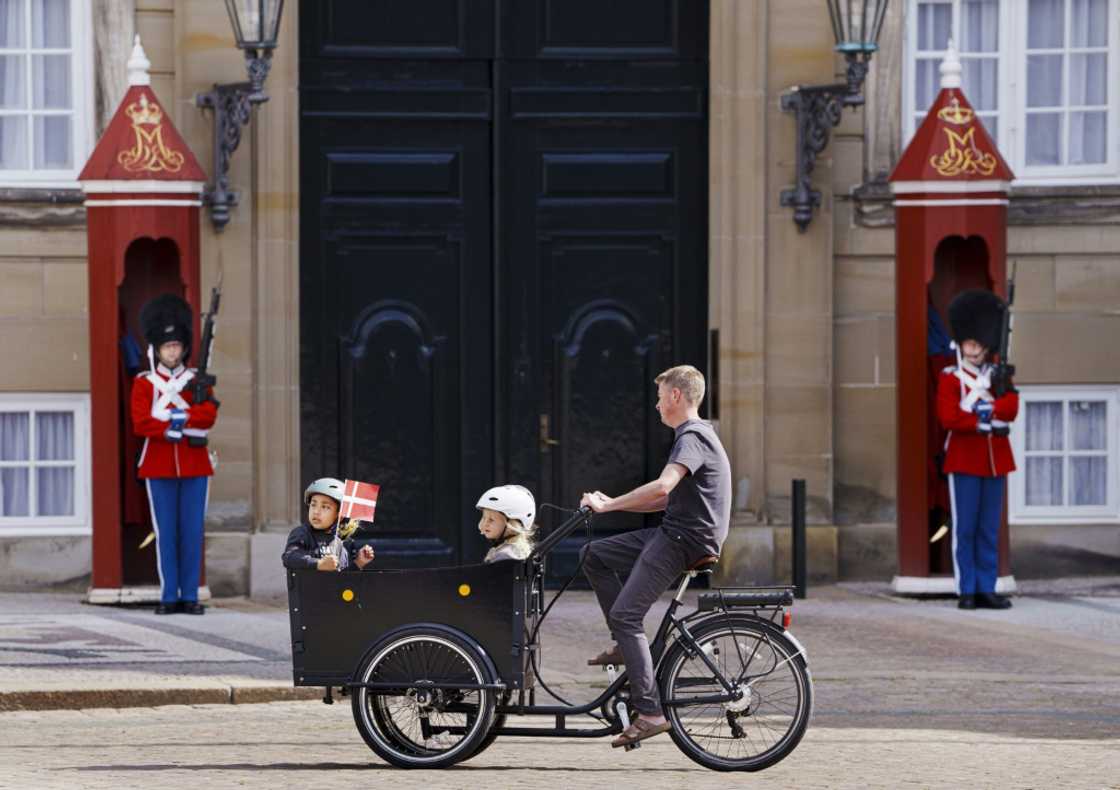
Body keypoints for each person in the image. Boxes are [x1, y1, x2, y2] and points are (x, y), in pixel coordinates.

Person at [579, 364, 731, 748]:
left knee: (627, 615)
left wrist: (609, 504)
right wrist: (610, 506)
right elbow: (666, 496)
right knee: (592, 555)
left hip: (683, 539)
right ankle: (626, 647)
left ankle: (649, 713)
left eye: (661, 397)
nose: (657, 404)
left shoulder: (692, 436)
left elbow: (663, 486)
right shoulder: (696, 436)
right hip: (674, 531)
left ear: (676, 397)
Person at [131, 294, 219, 615]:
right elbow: (141, 422)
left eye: (177, 346)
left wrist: (179, 419)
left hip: (195, 465)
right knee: (166, 532)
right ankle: (170, 595)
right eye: (168, 346)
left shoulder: (196, 380)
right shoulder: (145, 383)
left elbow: (208, 416)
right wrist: (170, 426)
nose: (173, 351)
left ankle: (190, 595)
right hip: (159, 465)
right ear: (157, 348)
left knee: (192, 532)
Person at [937, 289, 1018, 611]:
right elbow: (948, 416)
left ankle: (987, 586)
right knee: (966, 527)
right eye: (969, 344)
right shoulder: (951, 378)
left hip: (995, 460)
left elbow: (1011, 407)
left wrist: (993, 409)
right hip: (965, 458)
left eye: (978, 344)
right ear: (962, 344)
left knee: (988, 529)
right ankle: (966, 588)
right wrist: (980, 418)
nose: (974, 349)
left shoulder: (996, 376)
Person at [282, 477, 376, 571]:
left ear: (339, 515)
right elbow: (290, 557)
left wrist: (359, 562)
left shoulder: (340, 543)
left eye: (325, 507)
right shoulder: (302, 533)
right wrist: (318, 564)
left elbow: (344, 579)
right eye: (313, 505)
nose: (316, 511)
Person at [476, 485, 537, 563]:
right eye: (484, 518)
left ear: (512, 525)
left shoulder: (504, 555)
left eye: (491, 519)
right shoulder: (513, 551)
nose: (485, 523)